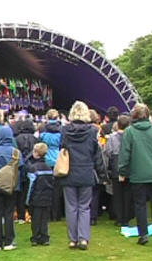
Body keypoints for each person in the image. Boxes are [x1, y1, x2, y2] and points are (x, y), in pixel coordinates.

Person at [119, 103, 152, 246]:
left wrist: (122, 171)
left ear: (134, 116)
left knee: (140, 204)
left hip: (138, 174)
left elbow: (125, 154)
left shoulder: (129, 132)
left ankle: (143, 234)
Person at [59, 101, 100, 250]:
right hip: (86, 171)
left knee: (71, 207)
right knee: (84, 207)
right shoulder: (92, 131)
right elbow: (96, 153)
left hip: (69, 171)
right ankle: (83, 238)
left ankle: (73, 239)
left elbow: (61, 149)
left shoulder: (65, 130)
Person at [0, 126, 23, 251]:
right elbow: (21, 170)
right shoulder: (16, 152)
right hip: (12, 188)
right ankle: (9, 241)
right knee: (9, 214)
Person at [105, 115, 132, 227]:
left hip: (116, 167)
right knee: (127, 194)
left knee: (117, 195)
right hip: (129, 167)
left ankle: (119, 218)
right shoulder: (131, 136)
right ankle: (126, 218)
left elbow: (108, 152)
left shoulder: (112, 138)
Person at [26, 143, 54, 246]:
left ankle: (35, 237)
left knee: (36, 218)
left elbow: (31, 186)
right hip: (47, 197)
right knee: (44, 218)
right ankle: (45, 237)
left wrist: (27, 200)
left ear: (36, 153)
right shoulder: (49, 168)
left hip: (36, 198)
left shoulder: (33, 168)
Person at [40, 109, 62, 221]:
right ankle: (56, 214)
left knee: (46, 188)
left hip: (47, 160)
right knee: (57, 189)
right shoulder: (61, 131)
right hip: (58, 160)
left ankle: (47, 214)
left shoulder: (43, 130)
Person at [15, 119, 37, 224]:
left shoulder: (17, 139)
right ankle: (31, 214)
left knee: (20, 192)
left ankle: (21, 215)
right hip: (32, 166)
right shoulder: (35, 139)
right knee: (32, 191)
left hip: (20, 167)